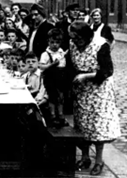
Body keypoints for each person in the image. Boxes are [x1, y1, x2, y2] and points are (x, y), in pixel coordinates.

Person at [68, 21, 120, 176]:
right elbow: (72, 64)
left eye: (77, 38)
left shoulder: (100, 45)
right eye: (73, 38)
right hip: (82, 90)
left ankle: (98, 160)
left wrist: (87, 76)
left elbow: (107, 70)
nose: (75, 42)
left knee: (98, 127)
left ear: (85, 35)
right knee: (82, 125)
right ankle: (85, 157)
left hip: (98, 91)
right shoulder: (73, 44)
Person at [39, 28, 68, 127]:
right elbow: (41, 67)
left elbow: (64, 64)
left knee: (61, 97)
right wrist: (52, 65)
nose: (55, 45)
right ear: (48, 42)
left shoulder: (61, 52)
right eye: (52, 42)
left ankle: (60, 115)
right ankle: (53, 115)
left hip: (61, 77)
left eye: (57, 42)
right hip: (51, 78)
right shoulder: (45, 54)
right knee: (52, 98)